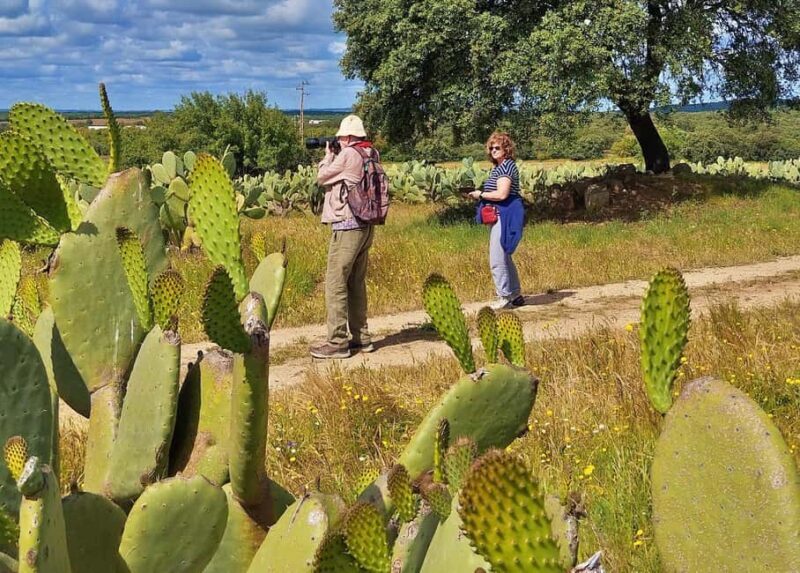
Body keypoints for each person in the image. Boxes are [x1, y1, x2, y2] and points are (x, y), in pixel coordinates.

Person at [310, 115, 378, 359]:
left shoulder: (348, 154)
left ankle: (337, 342)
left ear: (348, 136)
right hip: (366, 225)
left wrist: (328, 156)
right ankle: (361, 338)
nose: (337, 140)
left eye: (340, 137)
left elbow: (322, 177)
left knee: (335, 282)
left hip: (347, 225)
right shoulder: (371, 152)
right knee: (355, 283)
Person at [467, 132, 526, 310]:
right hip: (502, 213)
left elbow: (502, 194)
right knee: (504, 255)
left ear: (506, 149)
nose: (493, 150)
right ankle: (515, 294)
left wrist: (481, 194)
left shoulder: (506, 167)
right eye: (491, 148)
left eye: (497, 147)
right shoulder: (501, 167)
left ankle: (504, 296)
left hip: (504, 214)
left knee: (497, 258)